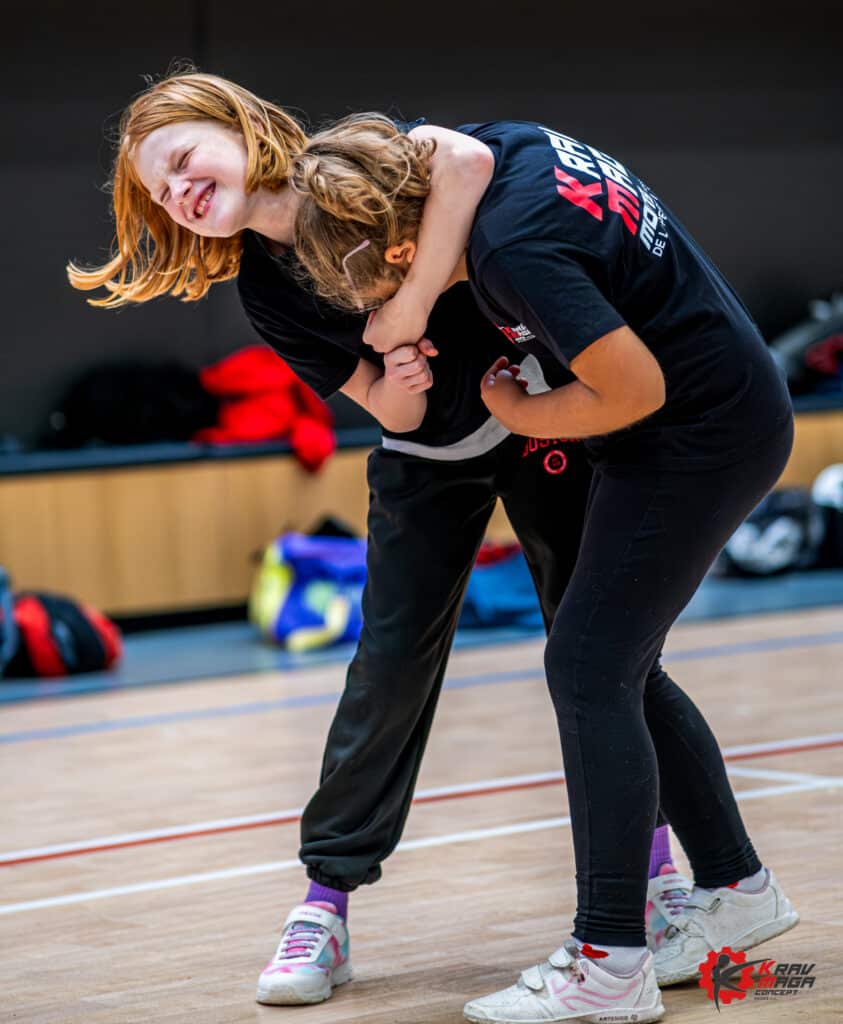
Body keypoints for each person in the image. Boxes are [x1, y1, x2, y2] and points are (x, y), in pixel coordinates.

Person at [67, 71, 689, 1011]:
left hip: (541, 420)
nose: (180, 192)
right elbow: (384, 403)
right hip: (427, 451)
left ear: (238, 130)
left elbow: (467, 167)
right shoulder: (269, 292)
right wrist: (392, 365)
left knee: (602, 654)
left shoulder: (362, 163)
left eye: (184, 161)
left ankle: (658, 875)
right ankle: (326, 906)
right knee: (389, 666)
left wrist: (408, 301)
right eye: (162, 191)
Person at [279, 114, 801, 1022]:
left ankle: (608, 964)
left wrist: (521, 412)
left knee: (586, 666)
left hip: (696, 436)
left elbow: (636, 390)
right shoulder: (499, 151)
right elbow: (445, 144)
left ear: (404, 245)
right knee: (618, 665)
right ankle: (735, 890)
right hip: (723, 408)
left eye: (385, 291)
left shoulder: (514, 251)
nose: (386, 314)